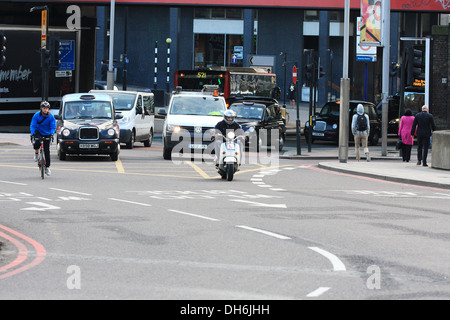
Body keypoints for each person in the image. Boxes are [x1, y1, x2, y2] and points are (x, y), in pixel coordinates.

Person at [30, 101, 56, 176]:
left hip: (47, 133)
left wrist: (51, 134)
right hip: (38, 131)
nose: (45, 110)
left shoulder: (51, 116)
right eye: (44, 108)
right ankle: (36, 153)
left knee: (47, 150)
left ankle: (47, 167)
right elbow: (33, 125)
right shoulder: (36, 115)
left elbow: (53, 126)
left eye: (47, 108)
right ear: (41, 108)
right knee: (37, 143)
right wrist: (32, 134)